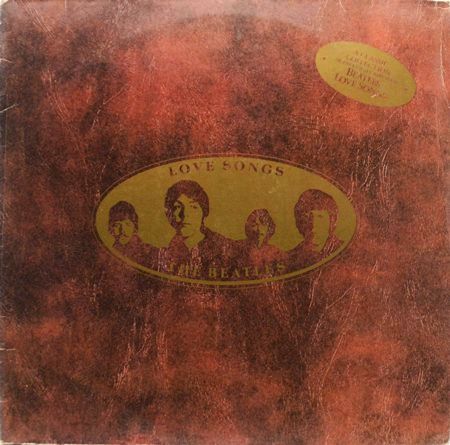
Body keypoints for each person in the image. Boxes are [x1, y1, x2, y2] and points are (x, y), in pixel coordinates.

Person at [161, 180, 237, 272]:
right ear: (170, 212)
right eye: (178, 207)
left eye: (193, 207)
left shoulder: (225, 248)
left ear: (203, 212)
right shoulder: (164, 254)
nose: (185, 214)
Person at [289, 189, 343, 269]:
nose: (313, 225)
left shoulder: (345, 253)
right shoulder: (292, 258)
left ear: (332, 221)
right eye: (307, 216)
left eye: (320, 217)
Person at [108, 200, 159, 268]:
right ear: (111, 228)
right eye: (117, 225)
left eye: (127, 224)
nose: (122, 230)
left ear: (134, 227)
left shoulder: (149, 253)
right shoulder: (109, 255)